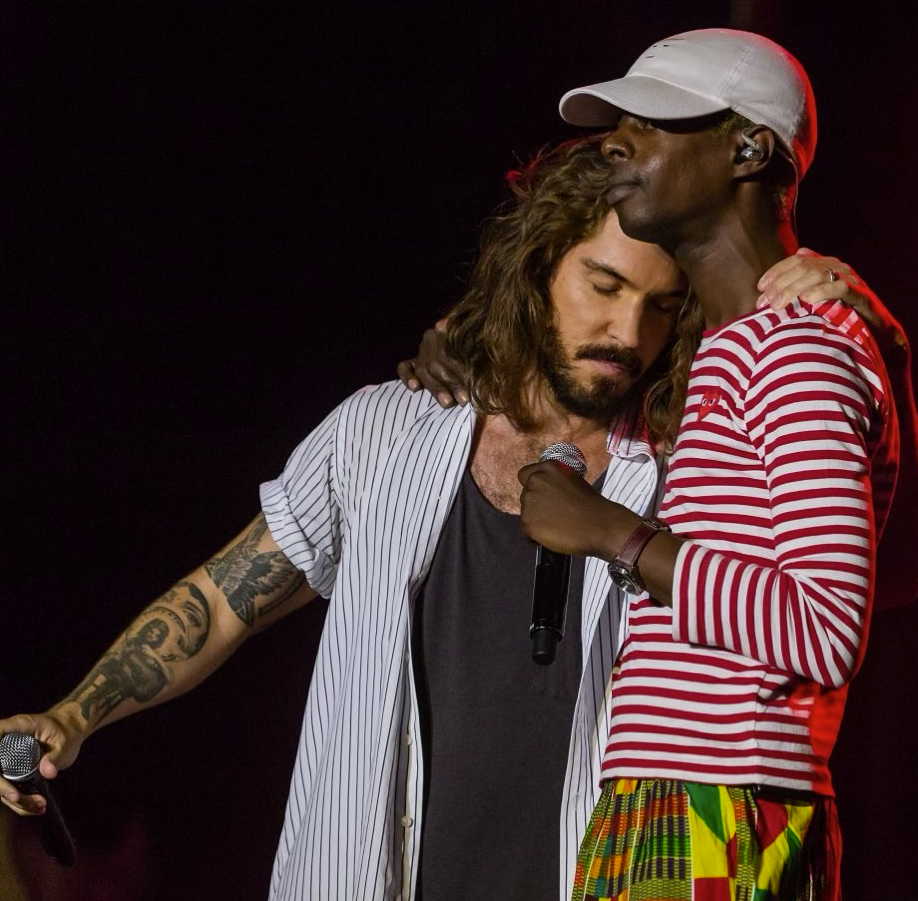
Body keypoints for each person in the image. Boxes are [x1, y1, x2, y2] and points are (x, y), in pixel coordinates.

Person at [0, 123, 904, 901]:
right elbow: (232, 592)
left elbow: (842, 550)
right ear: (539, 264)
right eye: (602, 284)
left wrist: (876, 337)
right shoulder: (386, 430)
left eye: (663, 307)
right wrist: (77, 713)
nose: (628, 334)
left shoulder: (686, 468)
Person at [505, 29, 899, 900]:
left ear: (748, 148)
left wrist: (615, 534)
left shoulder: (799, 351)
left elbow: (827, 627)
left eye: (651, 121)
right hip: (666, 796)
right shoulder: (730, 349)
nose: (617, 139)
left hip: (726, 804)